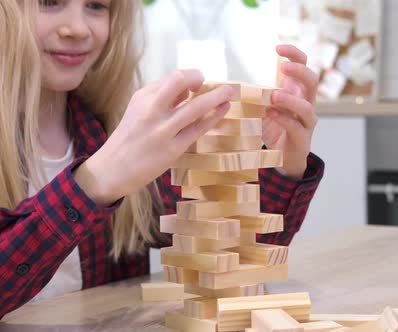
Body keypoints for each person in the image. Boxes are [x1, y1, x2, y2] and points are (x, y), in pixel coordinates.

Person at [0, 0, 324, 317]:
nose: (78, 28)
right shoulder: (114, 150)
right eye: (48, 2)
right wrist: (93, 182)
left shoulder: (108, 132)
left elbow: (227, 260)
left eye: (97, 6)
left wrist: (285, 164)